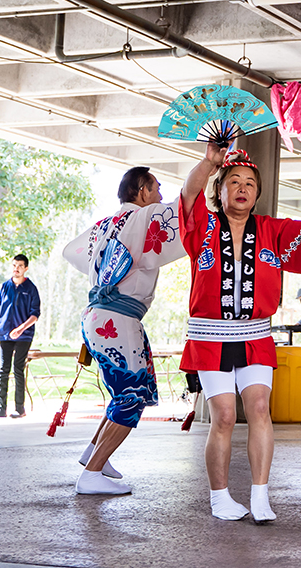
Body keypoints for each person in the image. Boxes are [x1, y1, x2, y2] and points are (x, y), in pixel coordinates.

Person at [179, 145, 301, 522]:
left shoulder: (271, 230)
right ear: (219, 190)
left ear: (258, 193)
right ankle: (220, 497)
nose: (242, 187)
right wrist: (208, 163)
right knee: (222, 416)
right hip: (210, 334)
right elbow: (187, 197)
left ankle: (261, 495)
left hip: (254, 335)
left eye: (250, 182)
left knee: (259, 410)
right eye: (233, 181)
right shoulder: (203, 225)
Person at [63, 167, 185, 495]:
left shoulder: (105, 224)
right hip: (117, 318)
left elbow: (72, 251)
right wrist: (208, 166)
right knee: (130, 397)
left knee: (128, 392)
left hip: (101, 315)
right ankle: (91, 473)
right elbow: (183, 207)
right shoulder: (140, 219)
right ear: (142, 191)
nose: (160, 196)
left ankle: (95, 455)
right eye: (156, 189)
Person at [0, 255, 40, 419]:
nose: (16, 268)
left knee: (18, 370)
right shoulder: (3, 287)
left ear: (26, 268)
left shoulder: (31, 289)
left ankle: (20, 408)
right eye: (14, 265)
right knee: (3, 370)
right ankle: (0, 408)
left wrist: (21, 329)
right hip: (4, 334)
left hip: (24, 336)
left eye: (20, 265)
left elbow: (35, 315)